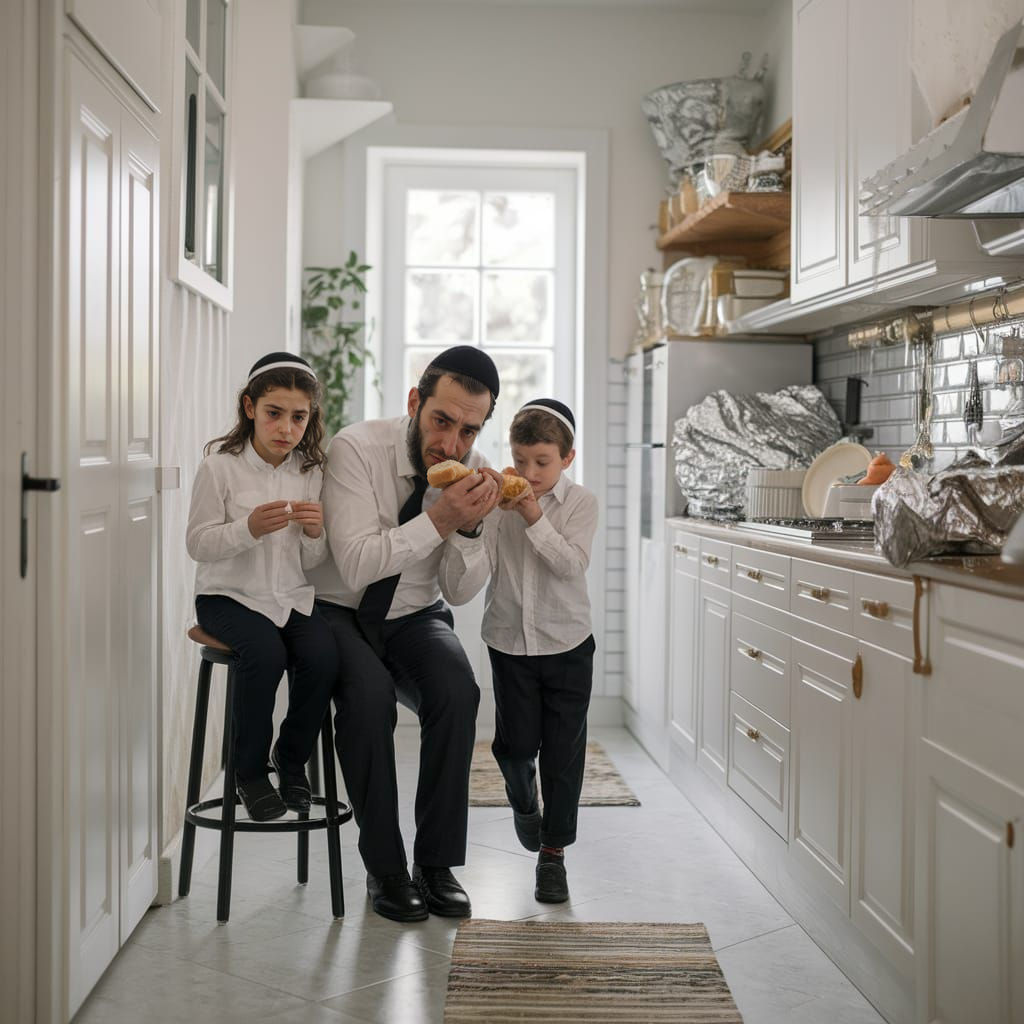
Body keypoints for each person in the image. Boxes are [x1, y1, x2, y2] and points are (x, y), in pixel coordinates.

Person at [309, 345, 504, 922]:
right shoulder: (355, 450)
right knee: (368, 703)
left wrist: (468, 531)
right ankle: (385, 868)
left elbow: (461, 590)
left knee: (457, 692)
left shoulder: (475, 470)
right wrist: (439, 519)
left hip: (415, 615)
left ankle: (436, 865)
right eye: (442, 421)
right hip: (338, 610)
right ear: (416, 402)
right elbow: (357, 566)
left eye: (469, 430)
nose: (452, 444)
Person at [445, 398, 598, 903]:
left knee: (562, 754)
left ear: (567, 459)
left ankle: (552, 856)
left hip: (567, 643)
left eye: (543, 463)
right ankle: (522, 799)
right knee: (513, 749)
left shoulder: (581, 504)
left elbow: (571, 566)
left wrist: (534, 515)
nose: (530, 474)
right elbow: (469, 578)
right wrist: (471, 523)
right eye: (522, 460)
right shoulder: (497, 504)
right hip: (509, 644)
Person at [186, 352, 338, 823]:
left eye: (299, 417)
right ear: (250, 407)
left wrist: (316, 535)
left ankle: (290, 762)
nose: (286, 427)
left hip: (289, 597)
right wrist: (247, 528)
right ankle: (247, 772)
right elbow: (197, 544)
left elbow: (310, 561)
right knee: (266, 655)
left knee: (323, 657)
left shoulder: (310, 472)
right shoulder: (220, 468)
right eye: (274, 413)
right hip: (226, 597)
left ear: (309, 419)